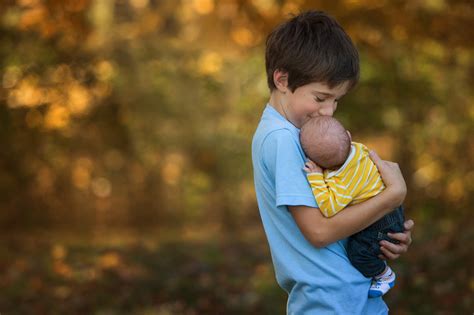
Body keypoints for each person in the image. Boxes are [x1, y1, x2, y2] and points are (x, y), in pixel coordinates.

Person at [251, 10, 414, 314]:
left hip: (353, 292)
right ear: (282, 78)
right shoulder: (281, 139)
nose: (328, 111)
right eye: (320, 98)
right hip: (327, 298)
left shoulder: (297, 134)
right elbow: (319, 232)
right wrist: (391, 197)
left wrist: (380, 230)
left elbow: (336, 207)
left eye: (336, 100)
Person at [300, 115, 405, 298]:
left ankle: (383, 274)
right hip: (391, 212)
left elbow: (329, 208)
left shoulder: (343, 181)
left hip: (379, 221)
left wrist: (316, 177)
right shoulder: (359, 149)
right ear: (348, 136)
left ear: (317, 162)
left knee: (358, 252)